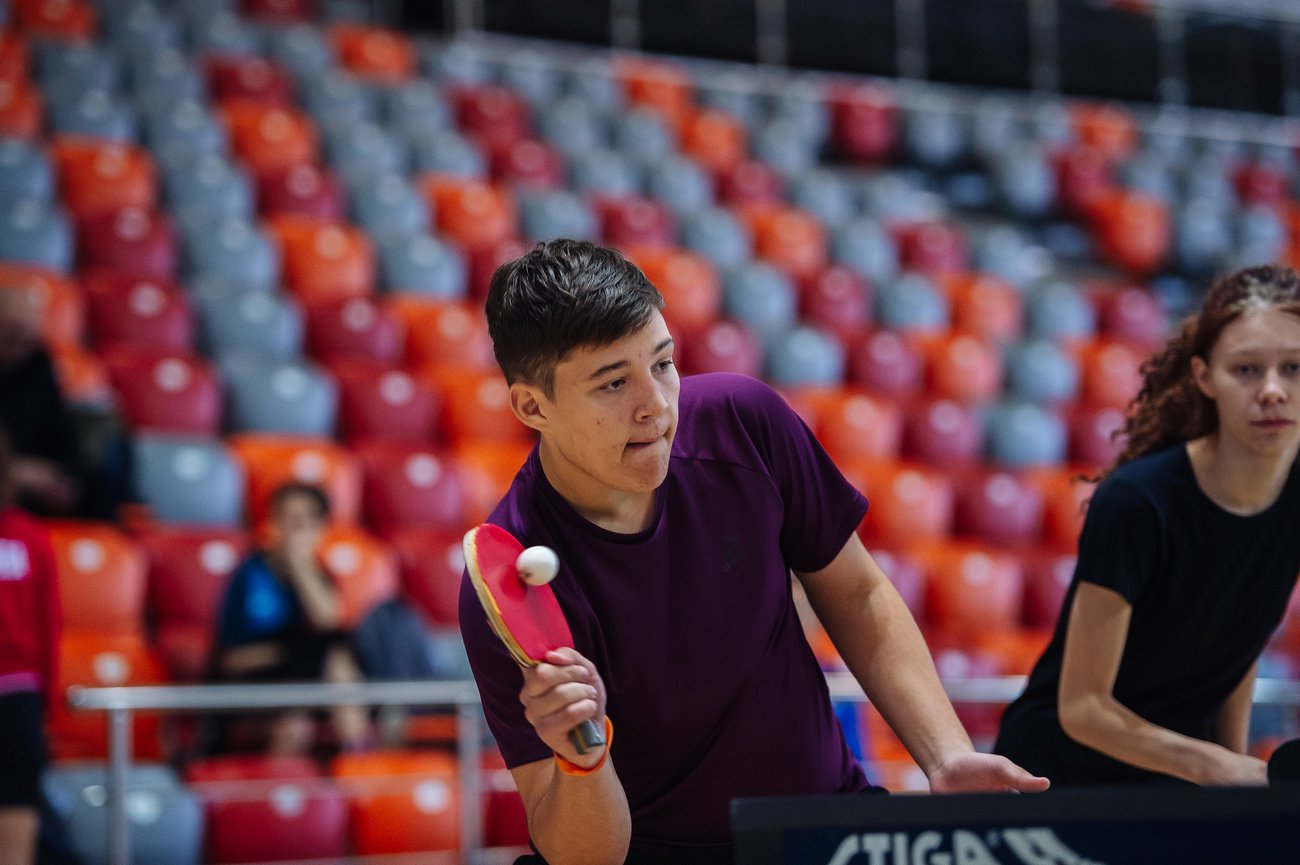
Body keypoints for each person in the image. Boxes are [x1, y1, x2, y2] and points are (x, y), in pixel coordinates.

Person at [458, 239, 1048, 865]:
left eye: (663, 363)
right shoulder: (509, 584)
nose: (655, 406)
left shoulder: (744, 422)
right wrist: (583, 758)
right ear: (532, 406)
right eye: (613, 383)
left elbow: (857, 592)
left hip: (827, 829)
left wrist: (946, 755)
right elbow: (586, 859)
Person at [994, 264, 1300, 786]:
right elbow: (1083, 707)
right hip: (1058, 779)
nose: (1272, 390)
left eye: (1293, 367)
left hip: (1177, 780)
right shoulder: (1138, 501)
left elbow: (1236, 646)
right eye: (1246, 369)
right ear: (1204, 377)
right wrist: (1220, 767)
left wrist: (1235, 790)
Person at [211, 482, 370, 755]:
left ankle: (358, 757)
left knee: (337, 660)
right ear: (272, 523)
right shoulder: (250, 574)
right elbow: (230, 660)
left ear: (320, 530)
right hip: (254, 681)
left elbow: (328, 622)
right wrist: (293, 653)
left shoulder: (319, 576)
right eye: (287, 520)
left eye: (305, 523)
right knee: (293, 724)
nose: (294, 531)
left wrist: (300, 566)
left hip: (308, 683)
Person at [0, 428, 62, 865]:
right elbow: (48, 632)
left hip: (18, 703)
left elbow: (48, 627)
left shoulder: (31, 536)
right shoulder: (30, 536)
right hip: (21, 701)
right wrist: (47, 714)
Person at [0, 286, 82, 517]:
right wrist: (14, 471)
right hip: (8, 476)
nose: (21, 348)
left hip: (32, 484)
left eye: (30, 339)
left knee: (100, 481)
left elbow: (61, 433)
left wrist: (63, 478)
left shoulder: (38, 363)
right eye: (12, 334)